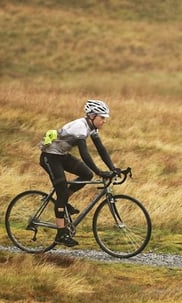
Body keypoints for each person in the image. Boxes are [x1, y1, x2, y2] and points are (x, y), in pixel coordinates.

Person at [39, 99, 121, 247]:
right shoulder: (80, 127)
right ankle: (60, 234)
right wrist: (100, 172)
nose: (104, 121)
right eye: (102, 117)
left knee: (87, 174)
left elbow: (101, 149)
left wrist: (112, 168)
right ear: (92, 116)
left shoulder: (92, 128)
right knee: (62, 191)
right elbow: (85, 154)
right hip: (50, 157)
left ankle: (63, 203)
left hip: (61, 156)